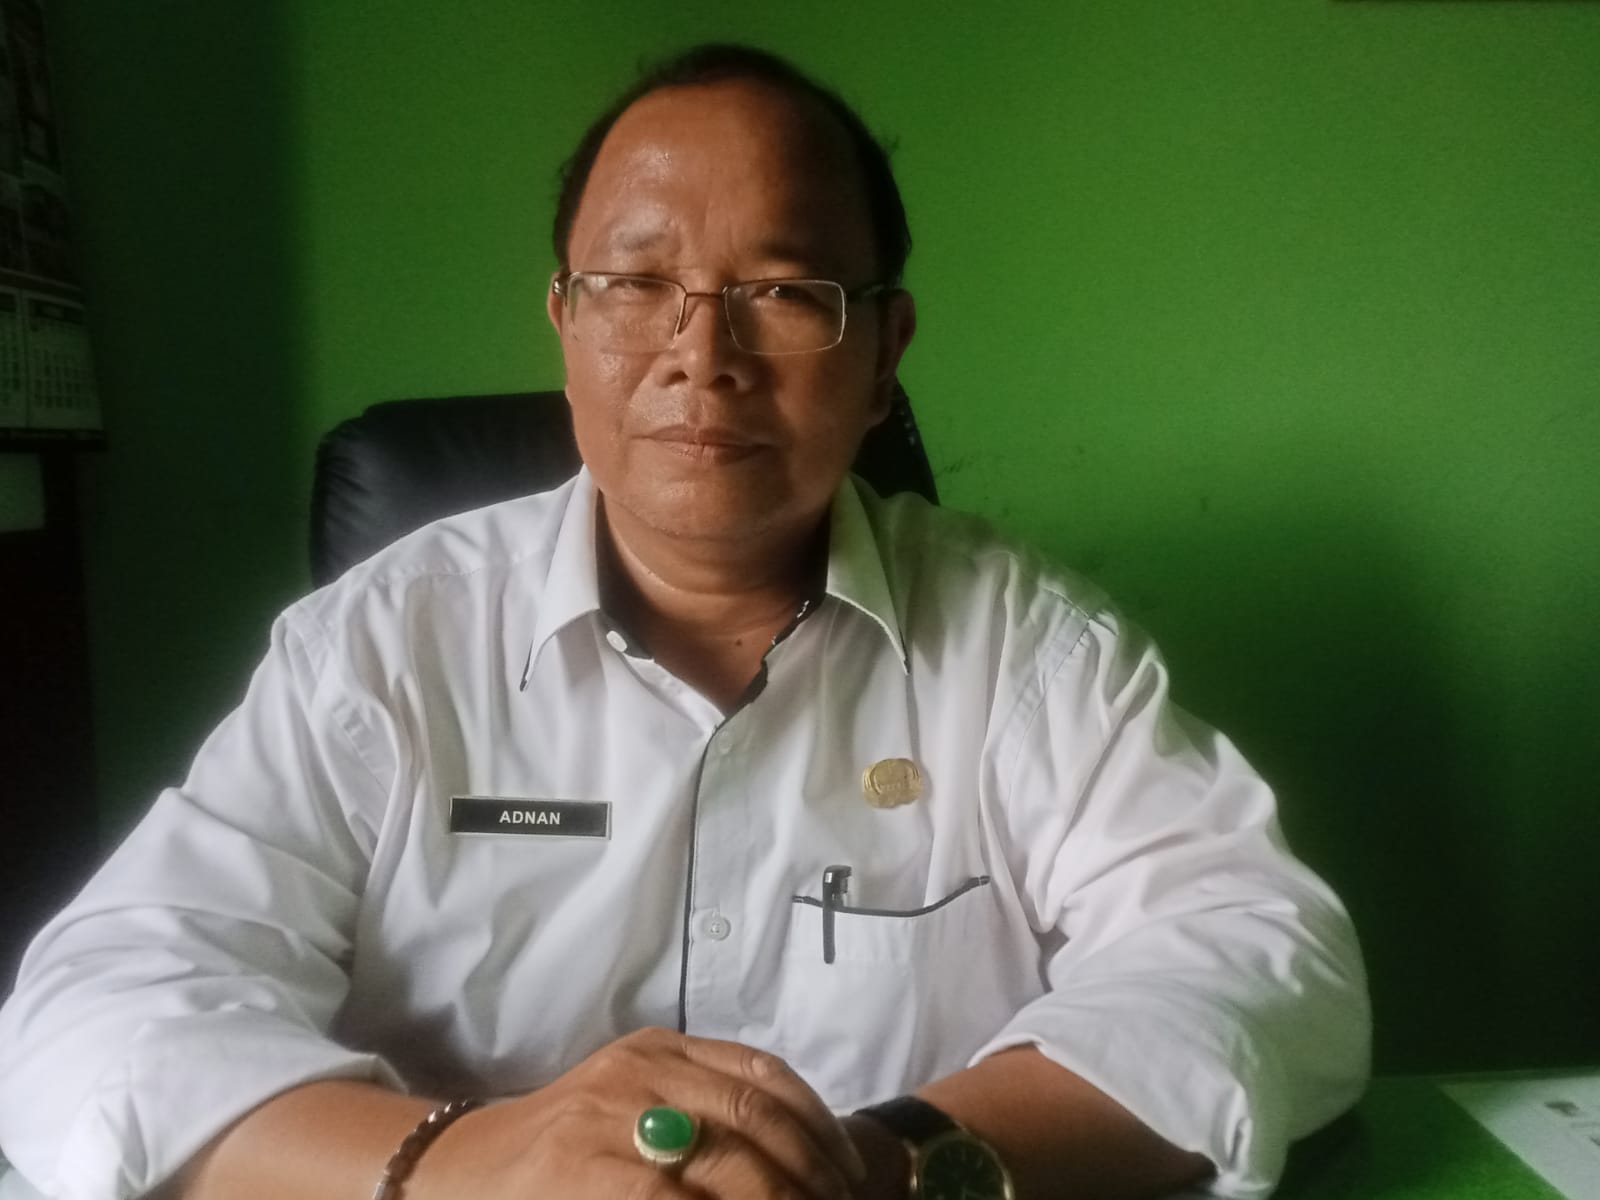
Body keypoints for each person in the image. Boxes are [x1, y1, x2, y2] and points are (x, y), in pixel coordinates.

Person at [0, 43, 1369, 1200]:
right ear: (565, 322)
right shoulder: (383, 646)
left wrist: (882, 1161)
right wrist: (468, 1163)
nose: (700, 354)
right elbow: (95, 1011)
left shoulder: (1023, 644)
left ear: (883, 355)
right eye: (636, 284)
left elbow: (1266, 958)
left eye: (781, 292)